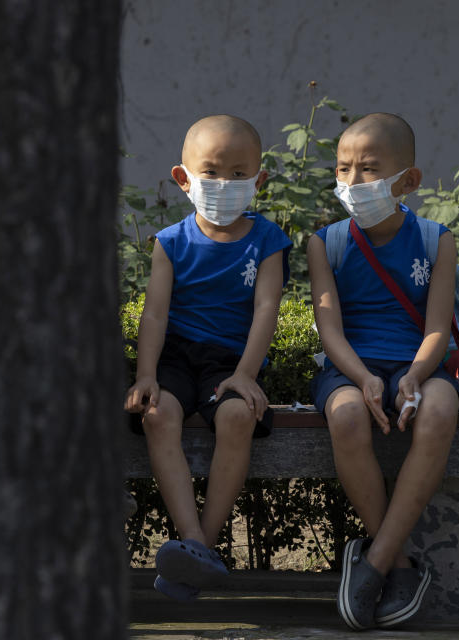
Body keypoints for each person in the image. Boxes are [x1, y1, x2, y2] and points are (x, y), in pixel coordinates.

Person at [124, 114, 291, 601]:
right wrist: (147, 374)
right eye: (212, 171)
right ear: (184, 178)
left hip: (229, 361)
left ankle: (201, 544)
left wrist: (245, 373)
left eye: (240, 174)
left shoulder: (267, 240)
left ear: (258, 180)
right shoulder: (171, 242)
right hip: (175, 356)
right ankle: (195, 544)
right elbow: (154, 316)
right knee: (157, 415)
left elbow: (266, 310)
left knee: (238, 415)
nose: (224, 184)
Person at [307, 112, 459, 630]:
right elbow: (329, 330)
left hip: (418, 364)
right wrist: (365, 378)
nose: (352, 182)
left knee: (439, 410)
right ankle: (397, 565)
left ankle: (372, 562)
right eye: (343, 168)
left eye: (369, 170)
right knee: (348, 417)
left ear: (408, 181)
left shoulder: (436, 240)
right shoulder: (325, 242)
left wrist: (415, 376)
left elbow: (438, 329)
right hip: (351, 366)